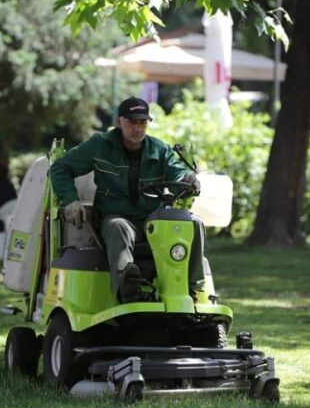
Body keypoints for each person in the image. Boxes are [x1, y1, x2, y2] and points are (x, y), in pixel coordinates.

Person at [50, 97, 201, 303]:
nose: (137, 128)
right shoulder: (100, 145)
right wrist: (71, 200)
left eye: (142, 123)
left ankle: (192, 289)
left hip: (153, 221)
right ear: (119, 121)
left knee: (194, 224)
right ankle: (127, 288)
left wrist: (188, 179)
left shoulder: (160, 150)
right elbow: (60, 167)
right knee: (118, 226)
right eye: (132, 122)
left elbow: (177, 172)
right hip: (116, 217)